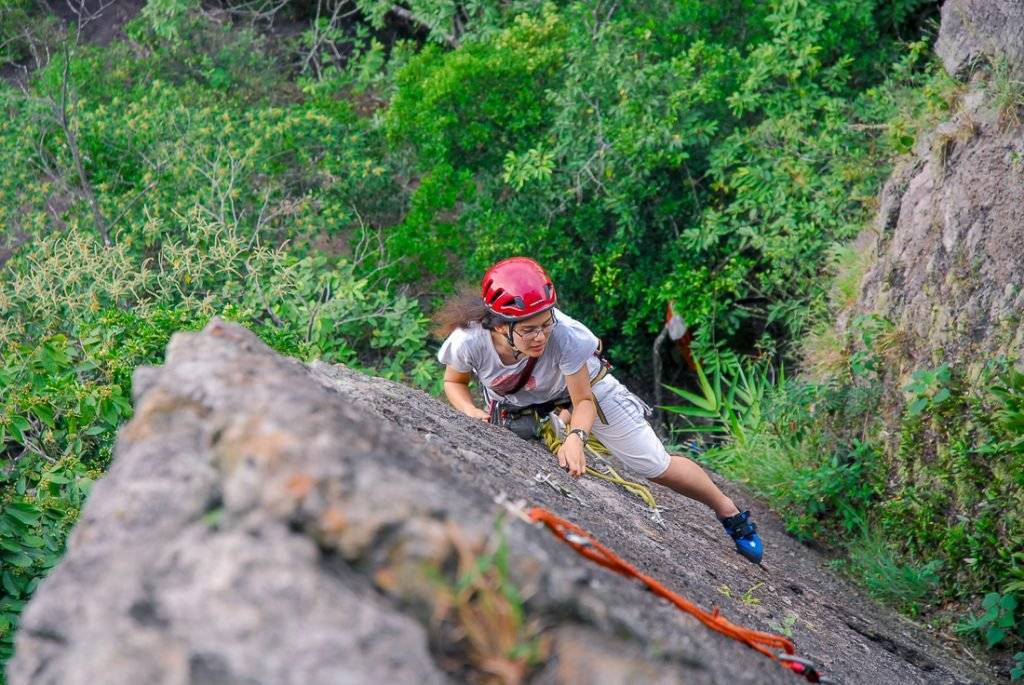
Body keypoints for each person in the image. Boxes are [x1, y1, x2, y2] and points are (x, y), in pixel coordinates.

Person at [432, 257, 764, 564]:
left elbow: (584, 401)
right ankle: (554, 421)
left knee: (653, 463)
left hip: (585, 391)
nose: (540, 337)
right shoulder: (470, 341)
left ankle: (728, 511)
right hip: (522, 403)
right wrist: (470, 412)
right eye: (528, 329)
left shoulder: (565, 336)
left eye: (545, 324)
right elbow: (454, 383)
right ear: (500, 326)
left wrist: (576, 438)